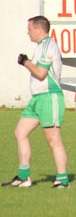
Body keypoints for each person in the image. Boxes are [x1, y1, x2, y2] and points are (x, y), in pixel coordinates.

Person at [2, 16, 69, 188]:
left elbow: (40, 73)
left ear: (39, 29)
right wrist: (28, 62)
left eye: (30, 29)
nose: (28, 32)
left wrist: (25, 62)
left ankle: (62, 179)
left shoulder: (48, 46)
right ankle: (24, 177)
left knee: (53, 139)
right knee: (20, 132)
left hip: (49, 97)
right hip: (37, 98)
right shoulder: (41, 47)